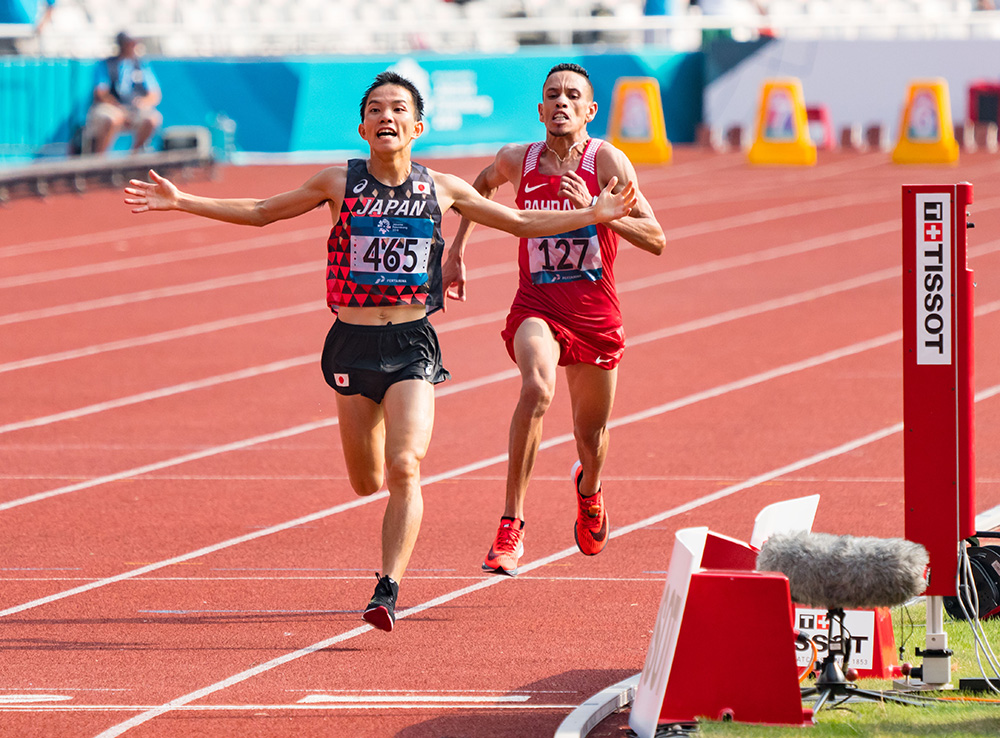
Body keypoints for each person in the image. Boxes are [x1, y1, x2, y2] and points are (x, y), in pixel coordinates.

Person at [123, 71, 637, 632]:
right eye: (376, 109)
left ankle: (387, 588)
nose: (386, 117)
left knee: (405, 467)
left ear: (418, 127)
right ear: (363, 126)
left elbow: (517, 220)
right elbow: (262, 210)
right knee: (366, 481)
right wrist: (182, 201)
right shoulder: (338, 183)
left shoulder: (441, 187)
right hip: (351, 343)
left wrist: (593, 215)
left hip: (412, 342)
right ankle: (386, 547)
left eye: (398, 109)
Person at [444, 63, 665, 576]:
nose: (561, 102)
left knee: (591, 436)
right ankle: (511, 526)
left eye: (572, 96)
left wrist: (599, 210)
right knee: (537, 388)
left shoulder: (607, 160)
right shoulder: (518, 161)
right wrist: (457, 250)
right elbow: (479, 187)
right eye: (552, 95)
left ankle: (589, 490)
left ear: (589, 111)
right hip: (536, 307)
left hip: (595, 316)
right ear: (540, 110)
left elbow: (657, 238)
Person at [86, 31, 162, 155]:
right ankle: (99, 161)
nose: (134, 46)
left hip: (134, 108)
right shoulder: (107, 64)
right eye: (131, 43)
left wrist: (142, 103)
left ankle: (133, 158)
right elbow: (101, 92)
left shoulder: (141, 65)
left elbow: (154, 94)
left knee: (152, 119)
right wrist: (118, 107)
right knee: (114, 118)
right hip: (112, 107)